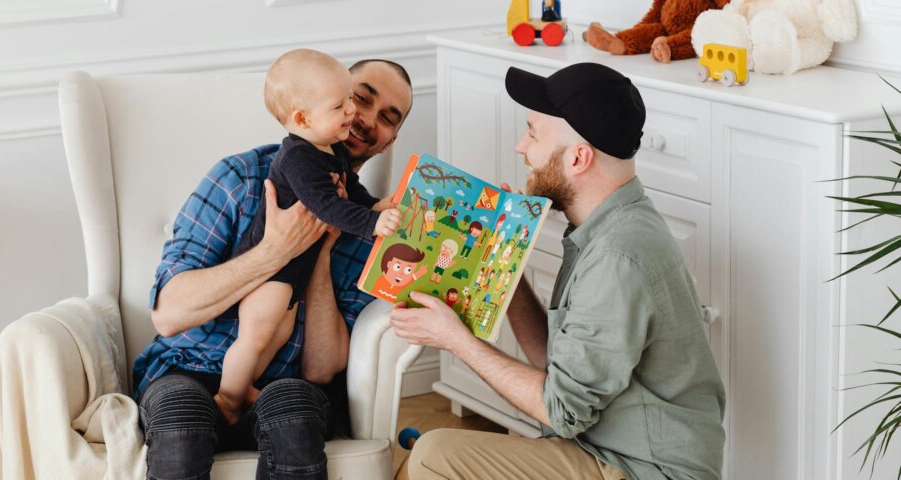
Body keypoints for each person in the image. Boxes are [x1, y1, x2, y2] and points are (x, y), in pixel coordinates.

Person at [390, 63, 726, 480]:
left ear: (578, 158)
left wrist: (454, 340)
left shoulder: (618, 256)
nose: (520, 147)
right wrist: (503, 266)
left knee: (433, 454)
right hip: (605, 449)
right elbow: (559, 365)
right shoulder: (604, 227)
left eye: (532, 133)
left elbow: (562, 410)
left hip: (643, 469)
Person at [132, 57, 413, 480]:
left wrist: (320, 249)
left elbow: (322, 368)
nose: (364, 118)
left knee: (294, 413)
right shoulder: (242, 177)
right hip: (187, 368)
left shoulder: (368, 230)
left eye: (387, 118)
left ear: (388, 142)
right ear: (319, 103)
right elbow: (169, 314)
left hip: (284, 386)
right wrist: (274, 251)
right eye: (358, 99)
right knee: (180, 416)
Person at [213, 49, 401, 424]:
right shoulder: (299, 157)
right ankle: (228, 398)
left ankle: (246, 384)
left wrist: (377, 205)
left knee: (276, 333)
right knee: (256, 333)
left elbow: (353, 192)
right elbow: (325, 205)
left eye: (349, 99)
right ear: (302, 117)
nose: (353, 113)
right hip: (270, 271)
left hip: (292, 276)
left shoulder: (331, 151)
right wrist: (369, 223)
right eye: (345, 103)